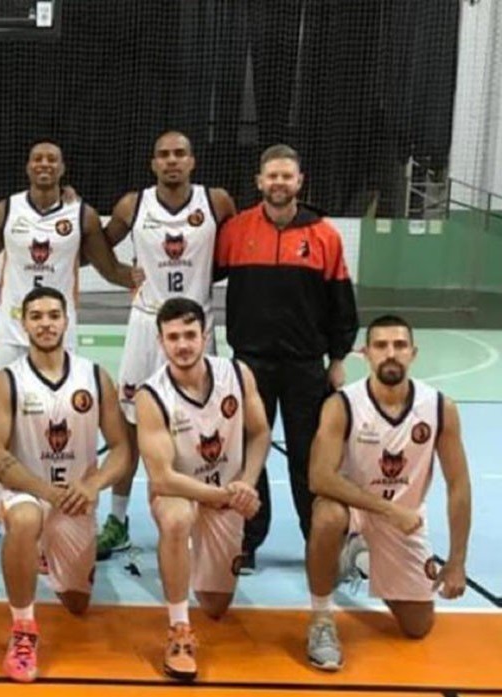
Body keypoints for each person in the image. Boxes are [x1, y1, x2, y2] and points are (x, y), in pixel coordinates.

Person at [0, 139, 133, 555]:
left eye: (52, 160)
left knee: (60, 421)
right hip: (11, 330)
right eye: (37, 158)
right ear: (27, 167)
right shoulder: (6, 211)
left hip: (61, 330)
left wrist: (142, 277)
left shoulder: (82, 215)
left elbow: (108, 267)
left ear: (62, 169)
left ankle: (59, 501)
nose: (44, 165)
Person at [0, 286, 132, 683]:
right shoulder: (5, 381)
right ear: (23, 323)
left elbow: (120, 450)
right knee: (27, 520)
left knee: (76, 604)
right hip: (25, 491)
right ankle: (23, 630)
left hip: (78, 500)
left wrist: (94, 484)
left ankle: (44, 555)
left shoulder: (95, 377)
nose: (45, 324)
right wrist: (45, 492)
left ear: (66, 320)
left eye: (53, 315)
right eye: (36, 316)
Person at [215, 144, 359, 570]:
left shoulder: (325, 235)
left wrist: (337, 358)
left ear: (299, 182)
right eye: (271, 176)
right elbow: (197, 269)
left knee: (308, 459)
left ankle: (316, 541)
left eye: (286, 176)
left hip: (305, 367)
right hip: (250, 365)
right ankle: (247, 540)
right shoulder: (237, 230)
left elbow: (342, 303)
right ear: (259, 182)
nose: (278, 183)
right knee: (247, 459)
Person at [97, 131, 237, 559]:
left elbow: (232, 250)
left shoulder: (216, 202)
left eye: (179, 154)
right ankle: (118, 520)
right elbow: (96, 243)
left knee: (201, 429)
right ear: (153, 163)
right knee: (130, 426)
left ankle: (198, 515)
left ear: (192, 161)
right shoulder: (132, 205)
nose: (171, 161)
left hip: (196, 328)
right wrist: (120, 274)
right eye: (163, 155)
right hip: (146, 325)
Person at [304, 315, 471, 671]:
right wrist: (386, 510)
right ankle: (321, 619)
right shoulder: (342, 404)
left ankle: (360, 557)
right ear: (366, 354)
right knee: (326, 515)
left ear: (414, 352)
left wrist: (457, 561)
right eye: (380, 346)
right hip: (353, 508)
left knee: (417, 627)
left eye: (399, 345)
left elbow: (458, 486)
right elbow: (319, 478)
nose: (390, 353)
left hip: (404, 518)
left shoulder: (441, 408)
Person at [135, 297, 270, 681]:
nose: (183, 345)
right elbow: (161, 478)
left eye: (190, 335)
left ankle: (187, 563)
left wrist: (246, 481)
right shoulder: (151, 395)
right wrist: (229, 496)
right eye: (173, 337)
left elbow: (260, 433)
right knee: (176, 519)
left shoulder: (237, 374)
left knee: (215, 606)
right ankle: (178, 628)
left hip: (226, 493)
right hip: (180, 492)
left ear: (205, 335)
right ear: (160, 342)